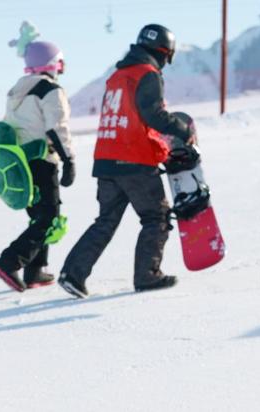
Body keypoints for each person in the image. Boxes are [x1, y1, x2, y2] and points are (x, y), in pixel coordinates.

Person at [58, 24, 193, 298]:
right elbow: (153, 115)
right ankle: (147, 275)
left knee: (106, 220)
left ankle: (73, 274)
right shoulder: (148, 74)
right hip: (135, 161)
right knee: (157, 217)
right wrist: (182, 129)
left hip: (107, 159)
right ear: (165, 52)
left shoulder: (118, 75)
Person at [0, 22, 75, 292]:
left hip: (21, 163)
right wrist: (69, 160)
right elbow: (56, 127)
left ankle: (36, 270)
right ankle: (10, 262)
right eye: (59, 64)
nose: (61, 69)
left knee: (39, 215)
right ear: (52, 64)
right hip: (42, 159)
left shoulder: (18, 88)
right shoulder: (50, 90)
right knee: (49, 218)